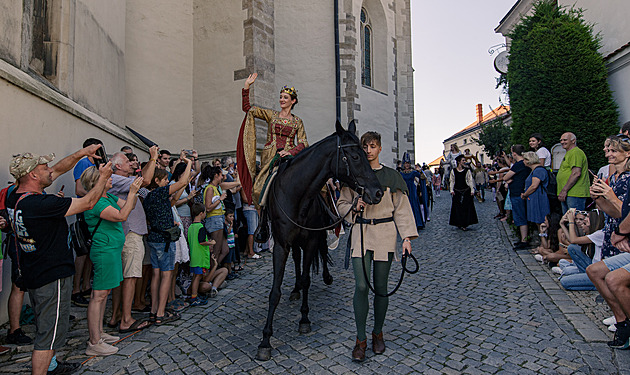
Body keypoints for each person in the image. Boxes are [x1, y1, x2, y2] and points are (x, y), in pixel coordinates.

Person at [7, 145, 109, 375]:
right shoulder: (42, 204)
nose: (50, 171)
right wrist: (103, 177)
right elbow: (88, 202)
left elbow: (58, 169)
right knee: (48, 335)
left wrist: (81, 154)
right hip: (50, 276)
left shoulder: (16, 195)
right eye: (44, 168)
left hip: (35, 270)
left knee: (49, 328)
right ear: (33, 174)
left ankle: (51, 366)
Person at [337, 131, 418, 362]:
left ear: (380, 148)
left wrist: (407, 238)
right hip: (361, 233)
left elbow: (402, 209)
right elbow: (341, 204)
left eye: (373, 146)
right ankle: (360, 339)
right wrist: (354, 205)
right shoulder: (353, 176)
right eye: (365, 146)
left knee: (381, 288)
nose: (369, 150)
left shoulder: (392, 176)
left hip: (385, 233)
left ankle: (377, 333)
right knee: (362, 286)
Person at [80, 167, 145, 355]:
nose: (111, 181)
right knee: (98, 296)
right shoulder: (97, 202)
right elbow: (122, 215)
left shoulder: (107, 197)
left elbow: (129, 206)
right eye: (108, 178)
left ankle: (99, 333)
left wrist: (133, 193)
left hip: (112, 249)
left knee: (103, 293)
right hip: (104, 251)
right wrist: (133, 191)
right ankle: (94, 341)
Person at [238, 73, 308, 217]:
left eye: (285, 97)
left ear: (293, 101)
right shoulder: (271, 115)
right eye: (281, 97)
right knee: (257, 190)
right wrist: (246, 87)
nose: (282, 99)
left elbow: (303, 142)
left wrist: (290, 152)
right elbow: (248, 109)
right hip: (270, 156)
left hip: (289, 156)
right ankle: (262, 222)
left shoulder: (297, 122)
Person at [106, 149, 158, 332]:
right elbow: (146, 181)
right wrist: (153, 158)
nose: (132, 164)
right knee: (130, 276)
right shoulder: (117, 179)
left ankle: (117, 316)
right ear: (118, 166)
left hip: (127, 232)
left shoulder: (120, 180)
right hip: (131, 233)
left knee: (122, 278)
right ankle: (126, 319)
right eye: (128, 162)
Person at [144, 157, 193, 325]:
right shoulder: (159, 192)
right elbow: (181, 182)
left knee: (156, 274)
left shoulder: (150, 196)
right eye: (165, 179)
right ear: (156, 181)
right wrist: (189, 164)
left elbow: (173, 200)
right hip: (164, 240)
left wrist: (184, 185)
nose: (167, 181)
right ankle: (160, 312)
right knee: (166, 275)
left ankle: (153, 310)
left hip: (154, 238)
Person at [71, 137, 104, 307]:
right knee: (82, 252)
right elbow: (79, 189)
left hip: (92, 209)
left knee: (91, 250)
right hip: (84, 211)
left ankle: (86, 285)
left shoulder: (96, 165)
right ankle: (76, 289)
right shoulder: (83, 163)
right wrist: (95, 196)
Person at [557, 209, 605, 291]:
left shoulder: (600, 234)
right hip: (591, 268)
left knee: (565, 281)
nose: (585, 219)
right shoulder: (592, 232)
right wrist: (562, 224)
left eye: (588, 217)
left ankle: (600, 285)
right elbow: (573, 244)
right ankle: (584, 277)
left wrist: (571, 222)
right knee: (571, 250)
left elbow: (573, 240)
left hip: (598, 273)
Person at [187, 203, 217, 305]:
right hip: (199, 257)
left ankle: (193, 295)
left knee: (196, 276)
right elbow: (201, 241)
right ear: (201, 213)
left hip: (194, 256)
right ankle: (194, 297)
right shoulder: (201, 227)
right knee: (197, 277)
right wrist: (211, 242)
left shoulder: (191, 227)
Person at [503, 145, 530, 249]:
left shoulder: (519, 164)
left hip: (517, 193)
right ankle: (523, 239)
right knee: (520, 216)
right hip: (520, 192)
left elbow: (506, 177)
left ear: (514, 153)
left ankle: (524, 240)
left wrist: (509, 180)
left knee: (520, 216)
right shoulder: (526, 164)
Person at [556, 132, 590, 213]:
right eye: (561, 140)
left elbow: (576, 173)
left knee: (575, 220)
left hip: (575, 194)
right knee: (568, 220)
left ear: (573, 140)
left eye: (565, 140)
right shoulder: (570, 153)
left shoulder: (575, 152)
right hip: (569, 193)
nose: (562, 142)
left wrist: (564, 190)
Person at [521, 152, 550, 235]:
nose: (523, 161)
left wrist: (525, 194)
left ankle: (545, 243)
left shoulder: (539, 170)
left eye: (524, 159)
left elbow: (534, 185)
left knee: (541, 220)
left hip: (539, 198)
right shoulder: (534, 170)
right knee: (538, 221)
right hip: (534, 197)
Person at [449, 154, 478, 230]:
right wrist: (451, 190)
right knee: (458, 208)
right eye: (463, 160)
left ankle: (464, 224)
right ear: (459, 162)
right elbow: (452, 181)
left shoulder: (467, 171)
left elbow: (470, 180)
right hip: (457, 191)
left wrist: (472, 190)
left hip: (466, 191)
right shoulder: (453, 171)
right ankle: (459, 222)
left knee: (466, 207)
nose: (464, 162)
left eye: (464, 160)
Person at [399, 152, 425, 230]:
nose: (407, 165)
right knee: (405, 207)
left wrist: (420, 171)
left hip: (412, 191)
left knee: (414, 206)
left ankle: (417, 223)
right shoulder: (401, 173)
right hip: (404, 191)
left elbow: (422, 177)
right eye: (405, 163)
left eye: (408, 163)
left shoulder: (413, 172)